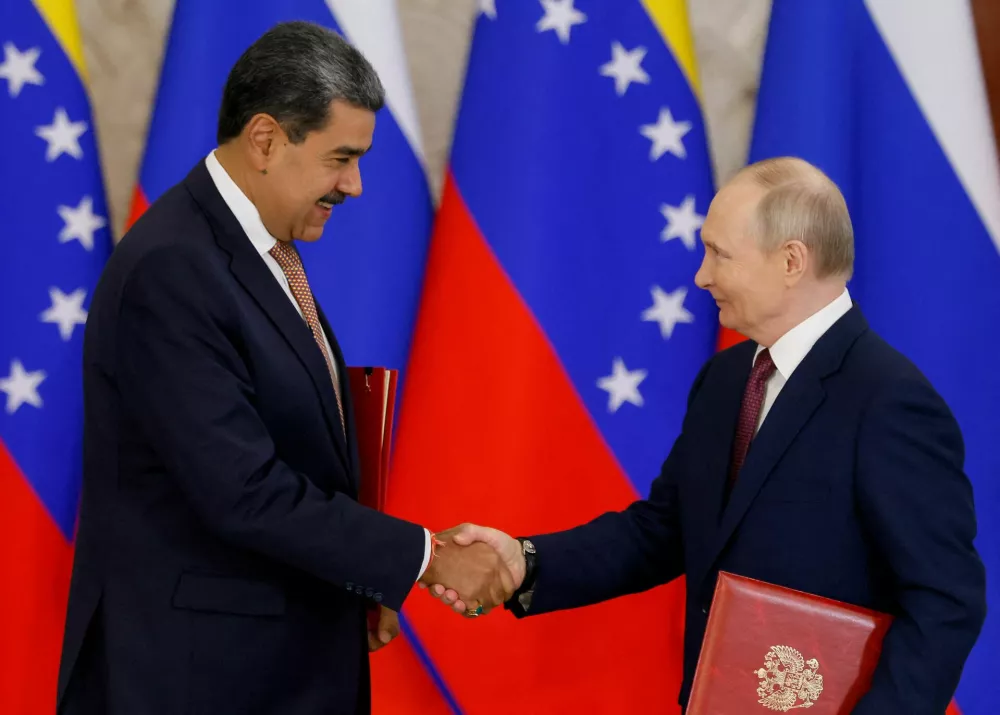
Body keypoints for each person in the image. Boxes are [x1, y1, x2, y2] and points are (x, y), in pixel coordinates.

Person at [56, 21, 511, 715]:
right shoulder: (173, 268)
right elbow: (244, 491)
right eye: (340, 158)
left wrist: (362, 575)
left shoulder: (255, 250)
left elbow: (299, 450)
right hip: (199, 681)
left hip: (275, 668)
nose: (354, 185)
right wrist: (425, 557)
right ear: (266, 140)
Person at [429, 157, 987, 714]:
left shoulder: (889, 400)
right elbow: (663, 530)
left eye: (720, 253)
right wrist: (524, 561)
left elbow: (944, 601)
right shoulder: (727, 379)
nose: (702, 276)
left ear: (791, 261)